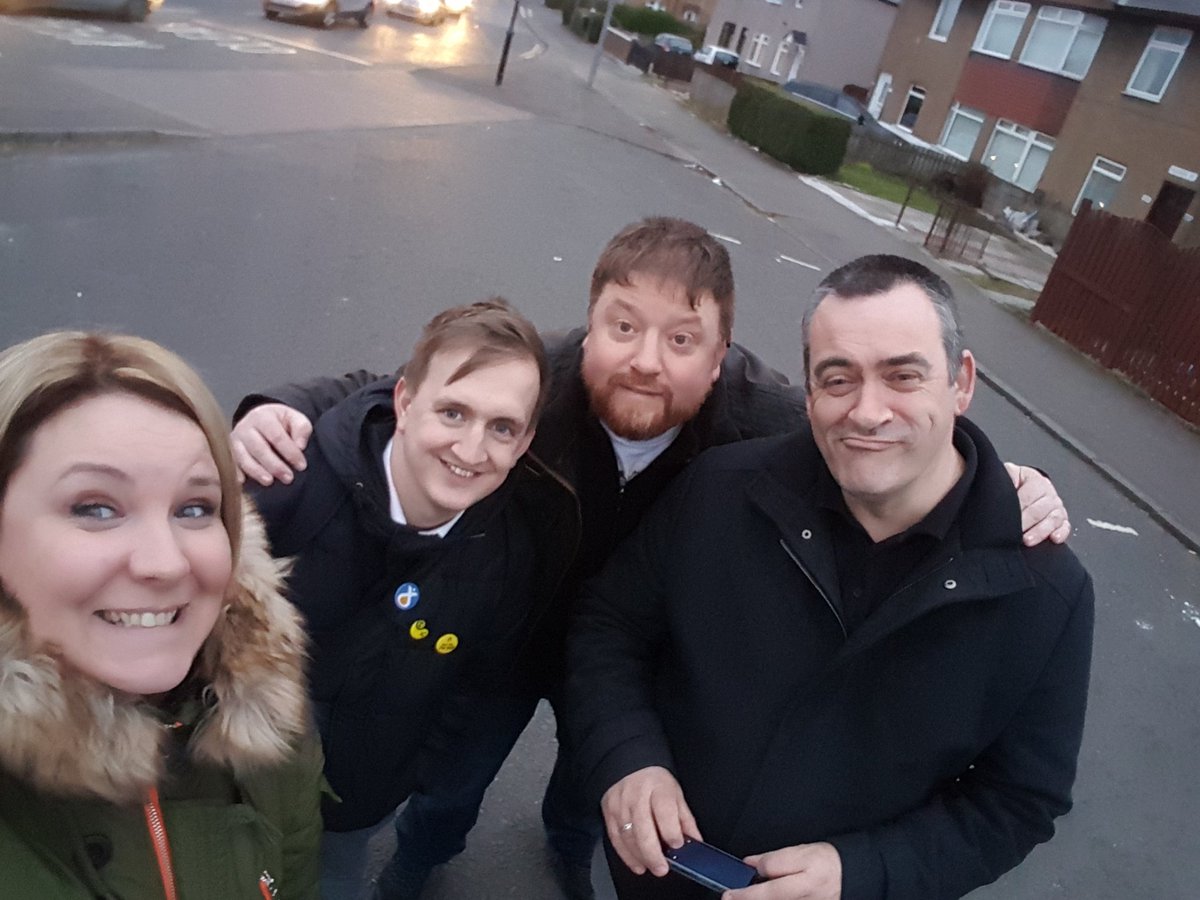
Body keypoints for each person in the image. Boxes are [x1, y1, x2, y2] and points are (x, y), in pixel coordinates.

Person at [230, 219, 1072, 900]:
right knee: (460, 767)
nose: (644, 359)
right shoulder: (539, 380)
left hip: (640, 640)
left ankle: (570, 846)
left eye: (682, 339)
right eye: (622, 327)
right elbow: (395, 393)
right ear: (588, 327)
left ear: (721, 358)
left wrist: (1005, 482)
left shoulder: (773, 415)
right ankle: (423, 853)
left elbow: (887, 436)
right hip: (508, 631)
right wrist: (275, 410)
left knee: (588, 780)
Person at [566, 254, 1095, 900]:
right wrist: (626, 756)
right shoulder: (721, 491)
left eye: (902, 375)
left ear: (960, 383)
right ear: (810, 393)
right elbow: (609, 626)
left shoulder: (1045, 596)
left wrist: (867, 872)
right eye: (838, 378)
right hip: (652, 875)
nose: (869, 412)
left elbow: (1017, 801)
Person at [243, 298, 577, 900]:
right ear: (402, 402)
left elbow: (477, 687)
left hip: (357, 808)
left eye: (502, 428)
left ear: (526, 440)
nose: (472, 450)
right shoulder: (287, 490)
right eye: (453, 412)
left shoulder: (505, 560)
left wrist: (414, 773)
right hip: (233, 787)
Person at [0, 331, 323, 899]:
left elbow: (294, 871)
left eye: (195, 507)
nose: (165, 563)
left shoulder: (261, 708)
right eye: (95, 508)